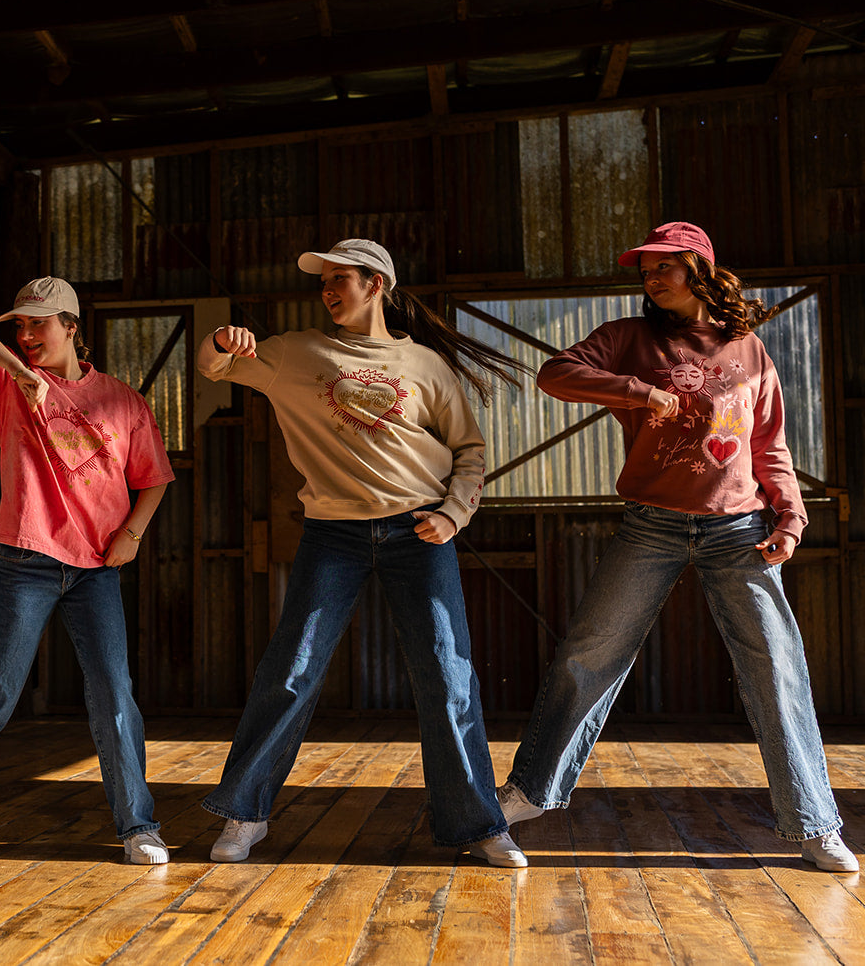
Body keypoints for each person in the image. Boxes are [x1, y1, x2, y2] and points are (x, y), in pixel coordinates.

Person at [496, 221, 857, 872]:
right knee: (588, 653)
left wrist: (791, 518)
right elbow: (556, 373)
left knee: (776, 665)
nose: (652, 278)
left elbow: (769, 445)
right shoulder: (631, 340)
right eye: (645, 271)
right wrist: (638, 390)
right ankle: (525, 793)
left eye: (665, 266)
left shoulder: (748, 349)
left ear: (700, 267)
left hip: (739, 531)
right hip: (651, 525)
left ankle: (813, 821)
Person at [200, 239, 532, 866]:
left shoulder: (426, 366)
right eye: (323, 282)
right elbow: (213, 368)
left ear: (376, 284)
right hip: (334, 535)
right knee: (291, 671)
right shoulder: (297, 352)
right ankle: (244, 814)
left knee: (447, 676)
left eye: (340, 280)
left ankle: (479, 825)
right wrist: (222, 341)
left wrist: (452, 515)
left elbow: (469, 449)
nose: (328, 291)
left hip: (419, 533)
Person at [0, 276, 175, 865]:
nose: (28, 334)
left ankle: (138, 827)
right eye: (20, 325)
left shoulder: (122, 400)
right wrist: (16, 369)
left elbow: (153, 479)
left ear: (71, 326)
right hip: (24, 560)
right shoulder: (6, 382)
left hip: (97, 570)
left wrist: (132, 535)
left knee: (115, 693)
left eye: (40, 323)